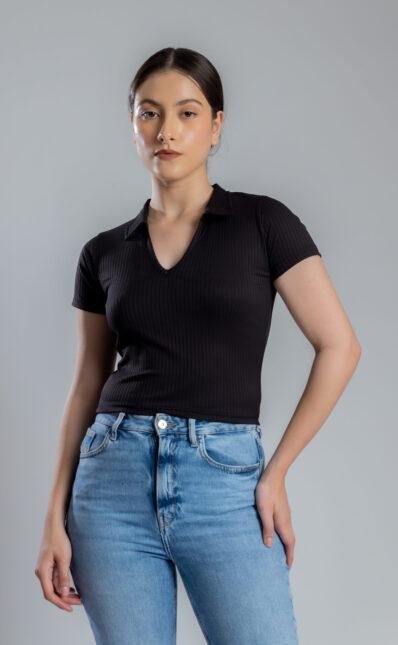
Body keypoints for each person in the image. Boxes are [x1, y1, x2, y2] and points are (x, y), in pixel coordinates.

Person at [35, 47, 361, 644]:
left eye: (187, 113)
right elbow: (86, 386)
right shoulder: (103, 252)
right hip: (110, 485)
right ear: (133, 125)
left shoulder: (264, 224)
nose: (166, 131)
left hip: (224, 479)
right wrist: (53, 517)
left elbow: (339, 347)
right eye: (149, 113)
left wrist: (276, 472)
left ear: (215, 125)